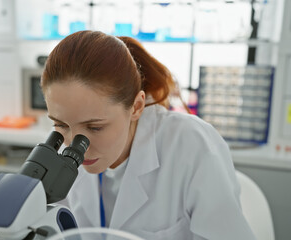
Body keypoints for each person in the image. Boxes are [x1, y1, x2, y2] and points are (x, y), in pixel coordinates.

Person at [41, 30, 256, 240]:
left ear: (136, 106)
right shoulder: (58, 150)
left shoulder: (192, 145)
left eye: (95, 127)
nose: (76, 146)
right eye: (61, 124)